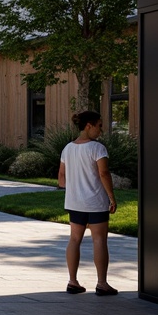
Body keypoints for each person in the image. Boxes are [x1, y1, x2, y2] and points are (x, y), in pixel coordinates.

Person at [58, 111, 119, 296]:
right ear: (89, 126)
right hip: (95, 203)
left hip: (74, 202)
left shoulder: (67, 148)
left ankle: (72, 281)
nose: (101, 130)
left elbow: (61, 179)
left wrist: (76, 187)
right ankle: (102, 283)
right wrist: (111, 197)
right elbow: (104, 174)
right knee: (99, 240)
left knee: (74, 240)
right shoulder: (97, 148)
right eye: (99, 125)